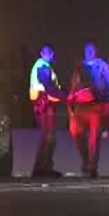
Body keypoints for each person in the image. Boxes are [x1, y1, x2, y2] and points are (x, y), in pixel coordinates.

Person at [67, 40, 109, 178]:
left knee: (94, 138)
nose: (89, 53)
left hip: (96, 107)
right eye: (87, 50)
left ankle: (92, 166)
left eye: (92, 50)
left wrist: (107, 106)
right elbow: (73, 86)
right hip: (80, 107)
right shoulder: (79, 67)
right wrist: (70, 106)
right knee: (76, 133)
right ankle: (86, 160)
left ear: (96, 51)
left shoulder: (102, 66)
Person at [29, 44, 68, 178]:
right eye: (49, 53)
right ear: (42, 53)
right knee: (48, 137)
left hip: (45, 105)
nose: (51, 55)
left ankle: (45, 167)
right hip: (44, 105)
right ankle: (41, 168)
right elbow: (49, 87)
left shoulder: (44, 66)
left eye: (51, 52)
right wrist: (65, 96)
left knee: (48, 137)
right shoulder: (42, 66)